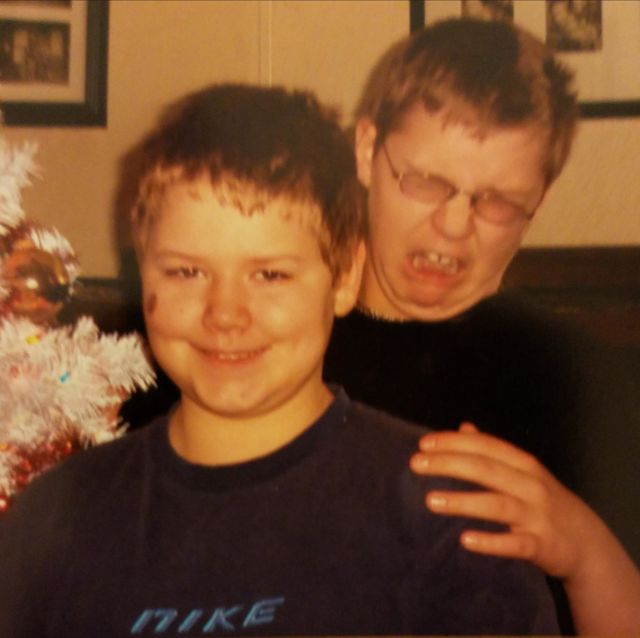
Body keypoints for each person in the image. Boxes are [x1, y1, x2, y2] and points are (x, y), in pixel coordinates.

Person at [0, 84, 560, 636]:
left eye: (270, 275)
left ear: (345, 278)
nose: (225, 313)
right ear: (142, 272)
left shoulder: (448, 520)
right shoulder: (55, 519)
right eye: (186, 272)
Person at [323, 16, 640, 635]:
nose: (453, 225)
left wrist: (585, 548)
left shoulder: (585, 383)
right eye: (427, 182)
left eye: (496, 202)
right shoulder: (270, 340)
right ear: (365, 151)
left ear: (538, 202)